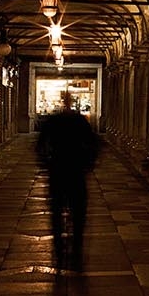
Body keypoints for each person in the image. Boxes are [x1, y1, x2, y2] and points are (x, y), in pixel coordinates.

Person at [37, 97, 102, 255]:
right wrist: (90, 162)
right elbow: (94, 143)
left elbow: (40, 145)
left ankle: (58, 243)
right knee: (78, 210)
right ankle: (77, 245)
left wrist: (45, 162)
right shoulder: (80, 121)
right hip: (76, 170)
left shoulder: (54, 121)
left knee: (57, 208)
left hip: (58, 169)